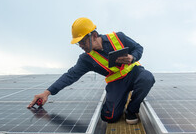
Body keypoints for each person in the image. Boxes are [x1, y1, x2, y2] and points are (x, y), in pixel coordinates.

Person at [27, 17, 155, 125]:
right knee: (109, 117)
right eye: (79, 43)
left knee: (147, 78)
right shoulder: (86, 59)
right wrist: (47, 92)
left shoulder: (118, 37)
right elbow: (70, 76)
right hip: (117, 83)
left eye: (82, 41)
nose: (81, 46)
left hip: (134, 72)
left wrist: (132, 57)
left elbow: (138, 48)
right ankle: (122, 96)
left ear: (93, 36)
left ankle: (132, 110)